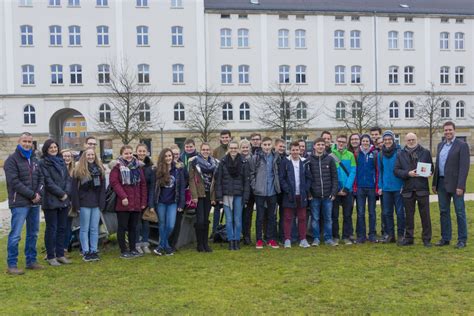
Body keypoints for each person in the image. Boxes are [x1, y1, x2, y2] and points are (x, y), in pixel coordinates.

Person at [4, 132, 44, 275]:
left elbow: (41, 178)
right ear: (19, 142)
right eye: (25, 141)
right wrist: (32, 195)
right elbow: (14, 182)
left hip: (34, 202)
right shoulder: (12, 160)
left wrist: (38, 193)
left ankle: (31, 261)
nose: (27, 144)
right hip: (19, 203)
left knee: (33, 233)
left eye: (29, 142)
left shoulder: (34, 159)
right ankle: (12, 264)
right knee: (16, 234)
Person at [433, 121, 470, 249]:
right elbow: (438, 166)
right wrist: (434, 183)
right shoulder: (440, 145)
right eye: (446, 130)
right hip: (442, 183)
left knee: (459, 212)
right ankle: (445, 238)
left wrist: (461, 186)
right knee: (443, 211)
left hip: (456, 185)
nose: (448, 132)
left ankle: (462, 239)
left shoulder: (462, 145)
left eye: (450, 130)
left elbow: (464, 167)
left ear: (454, 130)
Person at [394, 133, 433, 247]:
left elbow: (431, 168)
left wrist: (429, 173)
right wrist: (408, 173)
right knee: (409, 216)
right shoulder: (400, 154)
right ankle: (409, 238)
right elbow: (396, 170)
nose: (411, 142)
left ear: (417, 139)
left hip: (422, 188)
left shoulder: (425, 152)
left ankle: (426, 239)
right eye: (409, 140)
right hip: (408, 189)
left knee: (425, 215)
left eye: (413, 139)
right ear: (405, 141)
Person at [109, 145, 147, 258]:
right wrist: (123, 196)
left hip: (136, 202)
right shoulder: (117, 167)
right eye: (126, 153)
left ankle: (133, 248)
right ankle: (123, 250)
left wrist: (143, 200)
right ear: (121, 154)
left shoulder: (138, 167)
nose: (129, 155)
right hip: (123, 203)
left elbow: (143, 184)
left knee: (133, 227)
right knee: (122, 227)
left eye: (130, 153)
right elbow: (114, 183)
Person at [38, 139, 72, 266]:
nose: (53, 149)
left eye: (55, 147)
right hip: (50, 200)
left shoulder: (61, 161)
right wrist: (61, 194)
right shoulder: (43, 163)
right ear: (46, 149)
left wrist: (66, 193)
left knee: (62, 228)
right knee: (52, 229)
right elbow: (47, 181)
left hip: (63, 200)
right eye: (51, 147)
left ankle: (60, 255)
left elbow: (68, 179)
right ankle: (51, 256)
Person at [71, 148, 106, 262]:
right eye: (88, 155)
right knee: (84, 229)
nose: (90, 157)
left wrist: (102, 203)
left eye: (92, 155)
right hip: (84, 203)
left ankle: (94, 250)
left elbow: (102, 189)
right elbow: (74, 190)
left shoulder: (100, 170)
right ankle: (86, 251)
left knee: (94, 228)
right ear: (84, 157)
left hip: (96, 203)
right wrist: (76, 205)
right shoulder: (78, 171)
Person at [215, 141, 250, 250]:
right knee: (229, 219)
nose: (233, 150)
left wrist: (246, 197)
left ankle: (237, 240)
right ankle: (230, 240)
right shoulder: (223, 162)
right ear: (228, 149)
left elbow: (246, 182)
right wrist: (219, 197)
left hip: (239, 195)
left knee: (238, 219)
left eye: (235, 148)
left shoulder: (244, 162)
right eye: (232, 148)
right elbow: (219, 180)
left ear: (238, 149)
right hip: (226, 195)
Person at [151, 148, 185, 256]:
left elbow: (181, 188)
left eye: (170, 156)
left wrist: (181, 203)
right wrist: (151, 204)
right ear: (162, 158)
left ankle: (161, 245)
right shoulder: (157, 171)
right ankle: (167, 247)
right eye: (166, 156)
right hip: (160, 202)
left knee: (170, 225)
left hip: (173, 202)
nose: (168, 158)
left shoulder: (178, 170)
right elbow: (152, 189)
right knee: (162, 224)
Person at [249, 137, 281, 249]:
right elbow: (251, 174)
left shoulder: (276, 157)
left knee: (272, 216)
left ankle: (270, 238)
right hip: (260, 192)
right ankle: (259, 239)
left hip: (272, 191)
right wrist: (255, 187)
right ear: (261, 146)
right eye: (265, 145)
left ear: (271, 145)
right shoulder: (255, 158)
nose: (267, 147)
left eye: (268, 144)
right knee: (260, 216)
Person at [279, 141, 311, 248]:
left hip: (301, 195)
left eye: (297, 150)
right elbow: (282, 178)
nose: (295, 152)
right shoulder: (285, 162)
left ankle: (303, 239)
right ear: (290, 150)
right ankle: (287, 239)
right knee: (288, 218)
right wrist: (287, 190)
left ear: (300, 150)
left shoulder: (305, 162)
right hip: (289, 195)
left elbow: (308, 178)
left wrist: (305, 189)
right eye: (293, 150)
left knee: (302, 218)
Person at [308, 137, 338, 246]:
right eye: (318, 144)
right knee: (315, 218)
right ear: (314, 146)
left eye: (322, 144)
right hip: (314, 196)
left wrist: (334, 192)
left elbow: (335, 177)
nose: (320, 146)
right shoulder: (309, 159)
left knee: (328, 218)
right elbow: (307, 178)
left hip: (328, 195)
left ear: (325, 146)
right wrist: (309, 193)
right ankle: (316, 238)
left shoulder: (330, 159)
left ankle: (328, 238)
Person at [377, 131, 405, 245]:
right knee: (387, 212)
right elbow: (380, 171)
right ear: (383, 141)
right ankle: (390, 235)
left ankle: (401, 235)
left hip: (398, 187)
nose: (387, 141)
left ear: (393, 140)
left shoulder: (400, 152)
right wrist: (380, 186)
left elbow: (404, 169)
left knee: (400, 212)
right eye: (385, 139)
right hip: (386, 188)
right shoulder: (380, 154)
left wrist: (404, 184)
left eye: (389, 139)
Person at [189, 143, 217, 252]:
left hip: (209, 194)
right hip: (199, 194)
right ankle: (199, 244)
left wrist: (214, 197)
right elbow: (191, 180)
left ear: (210, 150)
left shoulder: (214, 162)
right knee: (200, 220)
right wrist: (194, 195)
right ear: (200, 150)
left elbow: (215, 182)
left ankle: (205, 243)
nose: (205, 151)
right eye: (203, 149)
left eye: (207, 149)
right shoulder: (194, 161)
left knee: (206, 220)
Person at [330, 135, 356, 245]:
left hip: (347, 190)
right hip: (335, 190)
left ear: (346, 143)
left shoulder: (350, 155)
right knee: (334, 215)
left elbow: (353, 172)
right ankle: (335, 236)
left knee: (347, 215)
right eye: (339, 141)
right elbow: (330, 173)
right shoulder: (331, 155)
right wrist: (336, 189)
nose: (341, 144)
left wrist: (346, 188)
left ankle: (346, 236)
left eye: (343, 142)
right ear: (336, 142)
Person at [355, 134, 378, 243]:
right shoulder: (356, 154)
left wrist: (377, 185)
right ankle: (361, 235)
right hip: (360, 187)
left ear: (370, 142)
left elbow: (377, 171)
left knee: (372, 212)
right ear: (361, 142)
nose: (365, 143)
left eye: (367, 141)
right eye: (363, 141)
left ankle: (372, 234)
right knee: (360, 212)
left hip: (371, 187)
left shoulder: (375, 153)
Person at [134, 144, 155, 254]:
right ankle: (137, 243)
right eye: (139, 151)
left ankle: (145, 243)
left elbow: (152, 186)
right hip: (134, 198)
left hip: (146, 199)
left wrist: (150, 203)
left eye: (144, 151)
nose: (141, 153)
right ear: (136, 151)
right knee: (137, 223)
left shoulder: (150, 167)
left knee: (145, 222)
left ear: (147, 152)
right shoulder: (132, 164)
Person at [240, 139, 254, 245]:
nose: (245, 149)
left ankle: (247, 235)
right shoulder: (237, 160)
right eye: (243, 147)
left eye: (247, 147)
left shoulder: (253, 159)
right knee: (238, 215)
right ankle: (238, 234)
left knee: (248, 215)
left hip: (251, 191)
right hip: (239, 191)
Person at [61, 149, 75, 253]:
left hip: (70, 203)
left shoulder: (74, 171)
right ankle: (55, 248)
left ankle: (65, 247)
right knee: (58, 226)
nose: (66, 158)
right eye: (64, 156)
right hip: (60, 201)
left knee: (67, 226)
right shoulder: (58, 170)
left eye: (68, 156)